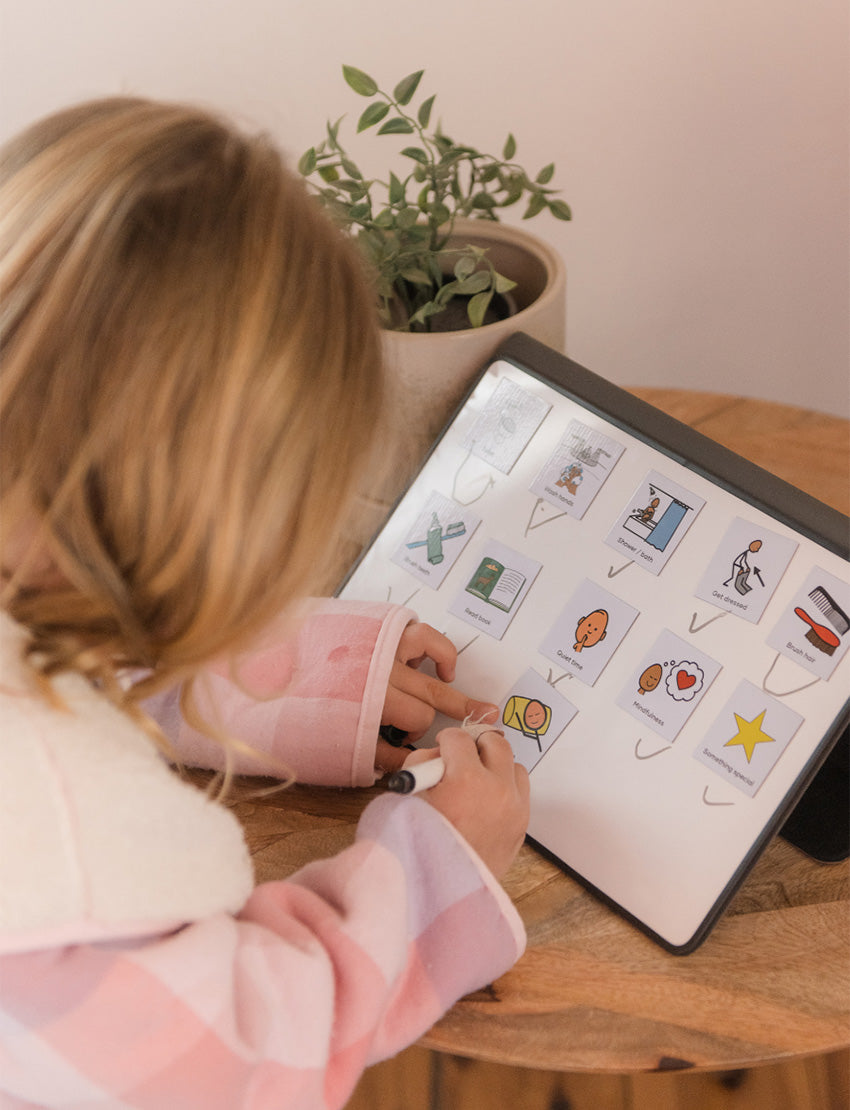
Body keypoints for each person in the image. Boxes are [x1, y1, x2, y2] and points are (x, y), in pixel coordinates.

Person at [0, 97, 530, 1109]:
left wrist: (318, 679)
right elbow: (258, 1050)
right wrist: (434, 864)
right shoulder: (69, 879)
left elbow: (78, 661)